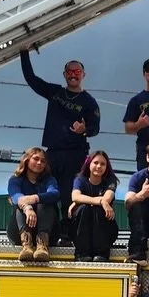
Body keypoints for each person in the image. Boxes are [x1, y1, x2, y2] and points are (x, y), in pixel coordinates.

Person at [20, 51, 100, 243]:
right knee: (46, 193)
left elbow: (95, 128)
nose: (73, 75)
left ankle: (67, 234)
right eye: (70, 72)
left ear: (83, 75)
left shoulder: (89, 102)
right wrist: (24, 52)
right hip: (53, 153)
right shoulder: (55, 92)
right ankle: (44, 231)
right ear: (64, 74)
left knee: (68, 195)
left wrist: (84, 130)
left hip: (76, 154)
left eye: (77, 72)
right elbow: (31, 79)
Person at [7, 147, 60, 262]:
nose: (39, 163)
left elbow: (54, 194)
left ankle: (42, 245)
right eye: (36, 159)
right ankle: (26, 245)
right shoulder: (15, 180)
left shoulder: (49, 180)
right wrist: (27, 208)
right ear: (27, 160)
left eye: (43, 161)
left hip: (49, 233)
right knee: (20, 205)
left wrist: (35, 198)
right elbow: (16, 197)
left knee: (45, 203)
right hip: (18, 232)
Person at [70, 150, 119, 262]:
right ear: (89, 164)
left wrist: (87, 200)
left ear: (107, 167)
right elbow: (75, 196)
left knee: (98, 209)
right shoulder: (80, 179)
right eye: (95, 163)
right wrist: (100, 201)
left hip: (105, 229)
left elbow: (107, 198)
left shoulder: (110, 181)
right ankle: (82, 253)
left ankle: (101, 253)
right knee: (84, 208)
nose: (99, 166)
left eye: (103, 164)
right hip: (81, 229)